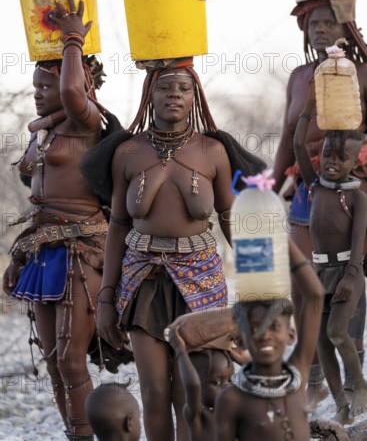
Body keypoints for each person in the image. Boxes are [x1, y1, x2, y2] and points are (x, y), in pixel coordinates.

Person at [81, 57, 266, 441]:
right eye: (166, 87)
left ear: (195, 95)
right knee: (154, 390)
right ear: (150, 93)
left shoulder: (213, 151)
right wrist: (106, 297)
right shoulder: (127, 152)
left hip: (201, 278)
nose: (175, 95)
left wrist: (262, 278)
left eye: (184, 88)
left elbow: (231, 218)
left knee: (192, 388)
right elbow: (117, 226)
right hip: (141, 279)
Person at [2, 0, 125, 441]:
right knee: (53, 358)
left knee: (72, 359)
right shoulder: (46, 131)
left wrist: (72, 37)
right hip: (45, 247)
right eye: (34, 86)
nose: (38, 94)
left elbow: (74, 92)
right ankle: (77, 434)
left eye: (45, 87)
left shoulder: (86, 122)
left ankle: (95, 433)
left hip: (83, 248)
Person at [272, 0, 367, 405]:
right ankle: (311, 374)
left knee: (350, 280)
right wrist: (269, 186)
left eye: (329, 23)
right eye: (313, 25)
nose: (320, 30)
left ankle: (354, 378)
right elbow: (288, 137)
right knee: (305, 278)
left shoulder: (363, 71)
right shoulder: (299, 76)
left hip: (355, 187)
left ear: (348, 28)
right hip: (307, 187)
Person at [294, 82, 367, 424]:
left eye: (340, 158)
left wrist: (353, 276)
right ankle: (340, 403)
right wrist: (309, 102)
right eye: (326, 155)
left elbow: (358, 243)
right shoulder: (314, 185)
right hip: (318, 273)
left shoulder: (357, 198)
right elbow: (296, 143)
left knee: (339, 333)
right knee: (321, 343)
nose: (331, 163)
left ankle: (361, 387)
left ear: (355, 161)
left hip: (347, 274)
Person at [215, 238, 325, 441]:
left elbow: (315, 295)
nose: (265, 335)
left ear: (291, 335)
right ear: (241, 341)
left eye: (273, 326)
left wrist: (282, 238)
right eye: (255, 329)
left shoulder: (297, 375)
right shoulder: (232, 399)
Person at [168, 325, 234, 441]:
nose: (226, 387)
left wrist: (245, 361)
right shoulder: (197, 416)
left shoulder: (235, 411)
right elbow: (192, 386)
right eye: (216, 382)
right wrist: (180, 351)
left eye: (229, 380)